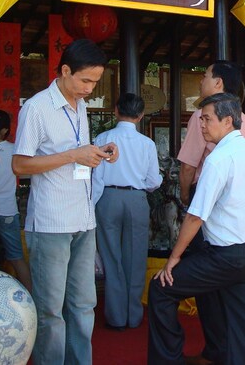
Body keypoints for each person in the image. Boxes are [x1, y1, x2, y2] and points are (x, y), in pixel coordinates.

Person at [12, 39, 119, 365]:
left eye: (95, 82)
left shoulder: (80, 106)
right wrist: (75, 154)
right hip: (51, 223)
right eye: (85, 80)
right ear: (64, 71)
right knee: (50, 309)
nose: (90, 88)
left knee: (83, 305)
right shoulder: (37, 108)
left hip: (84, 219)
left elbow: (73, 156)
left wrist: (97, 153)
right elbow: (20, 165)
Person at [148, 93, 245, 365]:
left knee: (161, 288)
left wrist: (173, 259)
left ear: (228, 121)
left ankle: (168, 360)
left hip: (227, 256)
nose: (201, 125)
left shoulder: (218, 159)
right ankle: (217, 354)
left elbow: (195, 217)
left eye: (206, 119)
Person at [177, 61, 245, 365]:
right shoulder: (244, 121)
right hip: (236, 205)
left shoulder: (202, 116)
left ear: (219, 83)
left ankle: (215, 352)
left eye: (206, 76)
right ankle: (232, 351)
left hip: (206, 199)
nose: (200, 80)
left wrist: (186, 197)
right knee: (231, 285)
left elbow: (187, 166)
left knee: (205, 279)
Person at [91, 93, 162, 331]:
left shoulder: (103, 137)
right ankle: (133, 315)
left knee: (111, 258)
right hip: (136, 199)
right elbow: (153, 181)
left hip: (108, 198)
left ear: (116, 110)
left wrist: (91, 206)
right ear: (141, 115)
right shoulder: (147, 144)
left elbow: (97, 179)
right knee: (136, 258)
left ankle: (116, 316)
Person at [0, 109, 32, 293]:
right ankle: (31, 297)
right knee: (17, 257)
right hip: (8, 211)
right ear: (5, 130)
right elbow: (25, 172)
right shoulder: (14, 151)